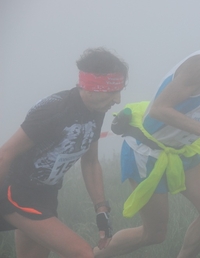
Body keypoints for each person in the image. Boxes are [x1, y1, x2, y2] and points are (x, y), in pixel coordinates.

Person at [94, 16, 200, 258]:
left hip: (182, 149)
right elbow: (160, 109)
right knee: (154, 235)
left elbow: (199, 110)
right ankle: (92, 255)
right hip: (147, 151)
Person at [0, 47, 128, 258]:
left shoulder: (96, 111)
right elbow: (6, 153)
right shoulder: (54, 110)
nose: (118, 100)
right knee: (82, 253)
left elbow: (90, 162)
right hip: (19, 193)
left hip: (47, 195)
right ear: (92, 87)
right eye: (113, 91)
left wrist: (101, 209)